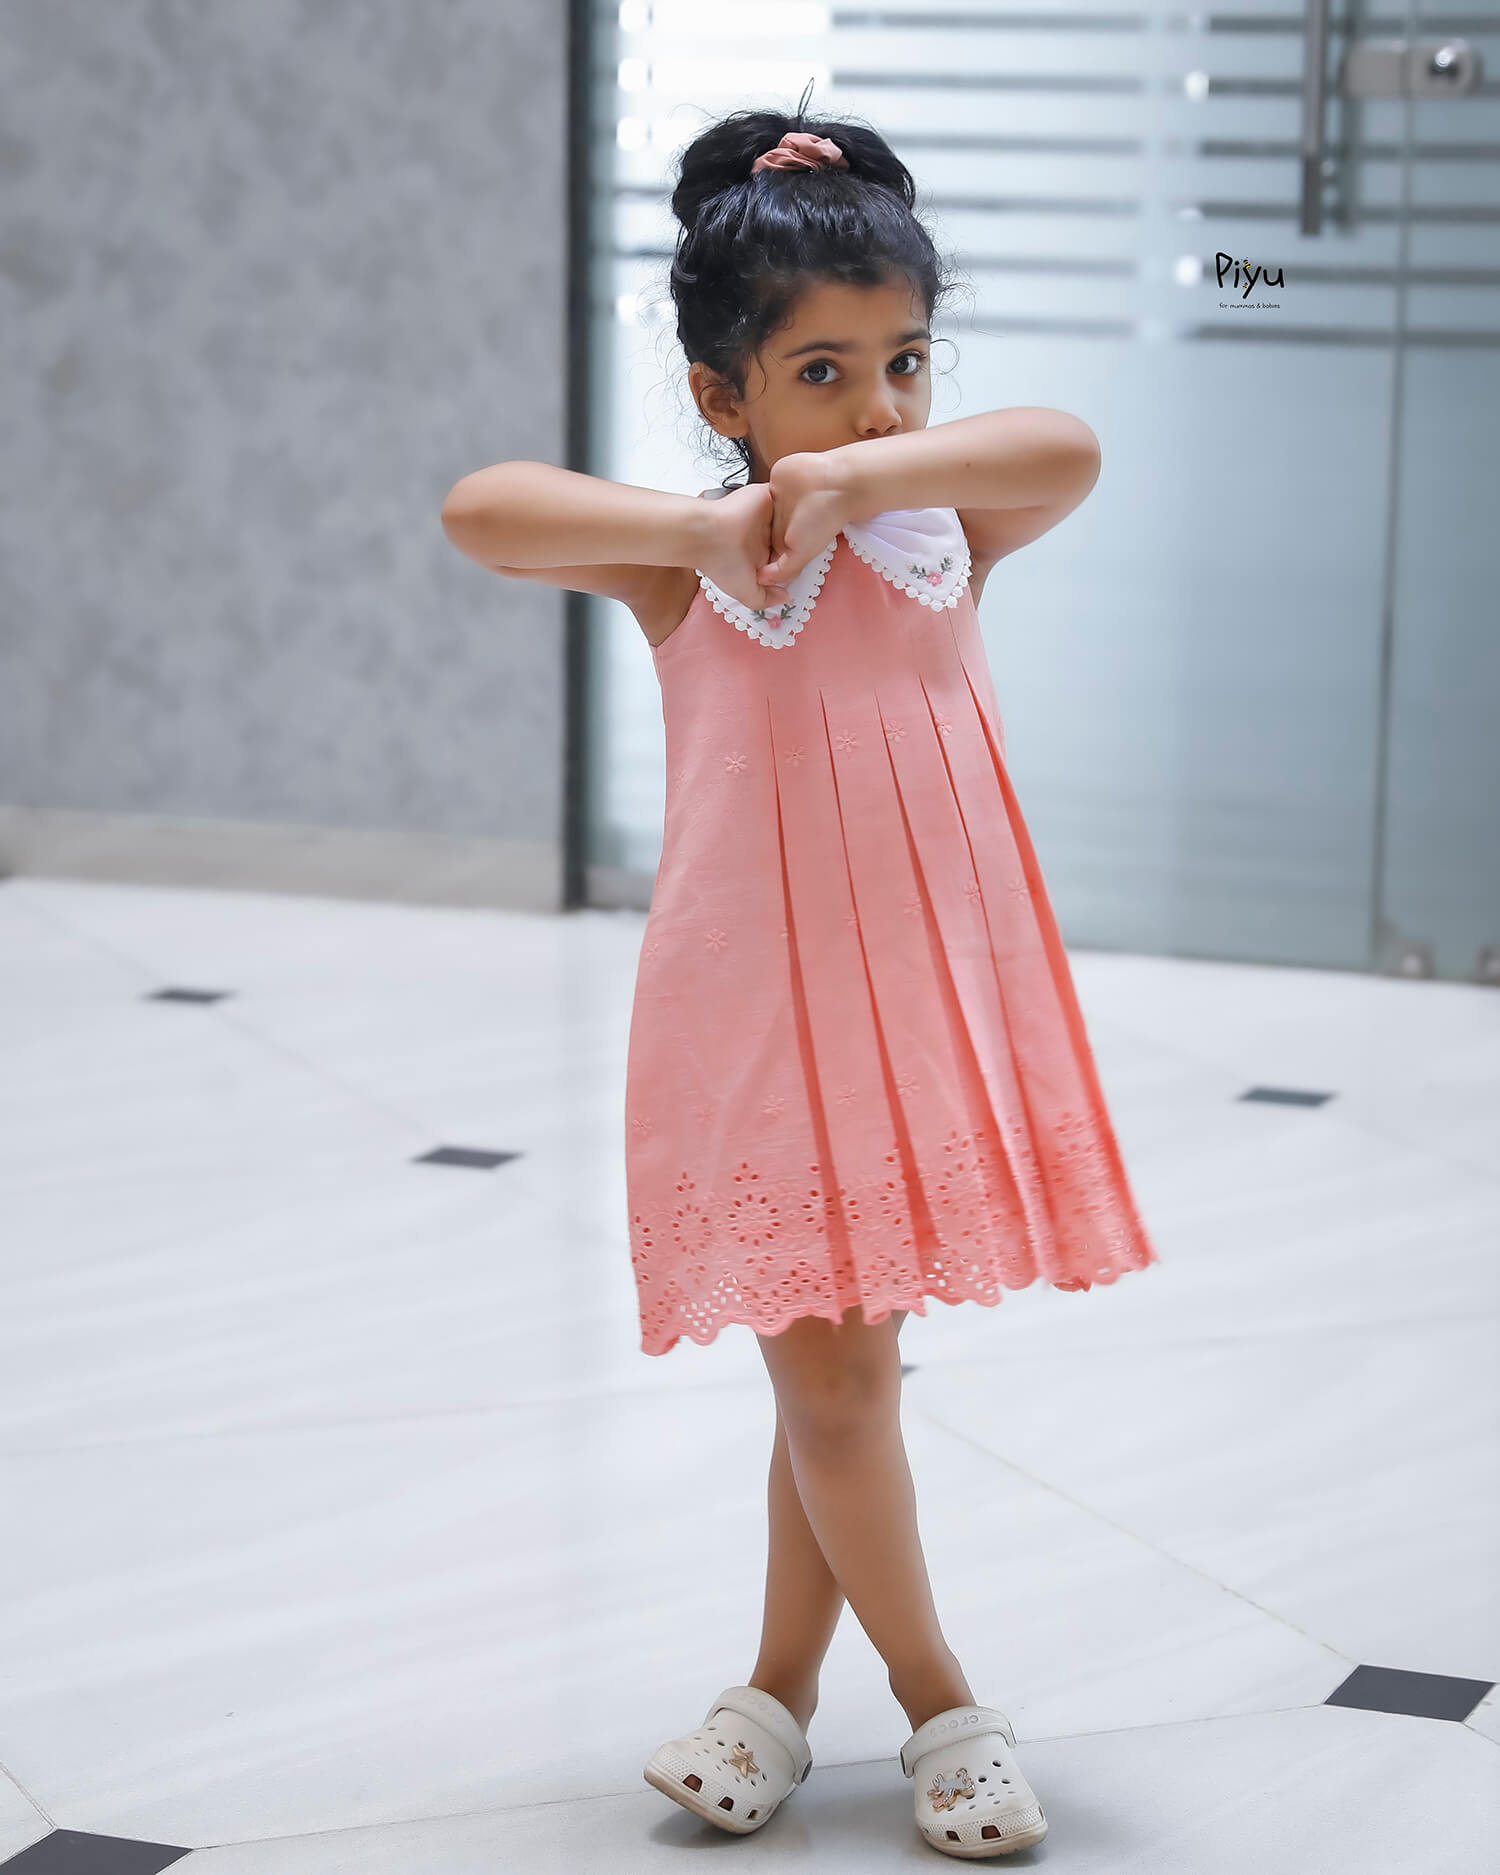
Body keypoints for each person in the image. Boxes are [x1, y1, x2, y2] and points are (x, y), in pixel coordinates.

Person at [441, 96, 1160, 1862]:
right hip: (756, 1040)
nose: (879, 404)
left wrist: (863, 472)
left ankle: (768, 1700)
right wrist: (704, 532)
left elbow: (1062, 446)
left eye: (904, 363)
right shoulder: (698, 575)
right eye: (821, 375)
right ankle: (946, 1712)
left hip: (912, 1033)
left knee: (829, 1394)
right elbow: (481, 509)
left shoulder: (940, 537)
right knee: (833, 1391)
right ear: (723, 398)